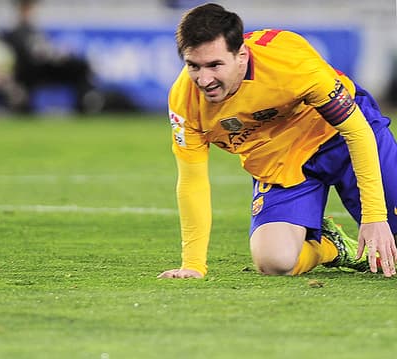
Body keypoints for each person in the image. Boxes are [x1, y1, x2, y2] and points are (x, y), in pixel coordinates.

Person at [158, 3, 397, 279]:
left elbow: (356, 130)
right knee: (275, 261)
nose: (204, 79)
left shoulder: (290, 65)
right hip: (281, 162)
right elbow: (192, 180)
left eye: (214, 65)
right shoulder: (184, 101)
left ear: (241, 56)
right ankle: (332, 247)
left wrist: (374, 216)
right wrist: (193, 264)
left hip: (339, 138)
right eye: (193, 66)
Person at [2, 0, 98, 113]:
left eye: (30, 8)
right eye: (27, 8)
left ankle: (86, 102)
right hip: (29, 71)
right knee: (74, 65)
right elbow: (31, 53)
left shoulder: (35, 31)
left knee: (80, 65)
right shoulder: (15, 32)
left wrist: (58, 54)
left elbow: (46, 51)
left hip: (45, 67)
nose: (30, 12)